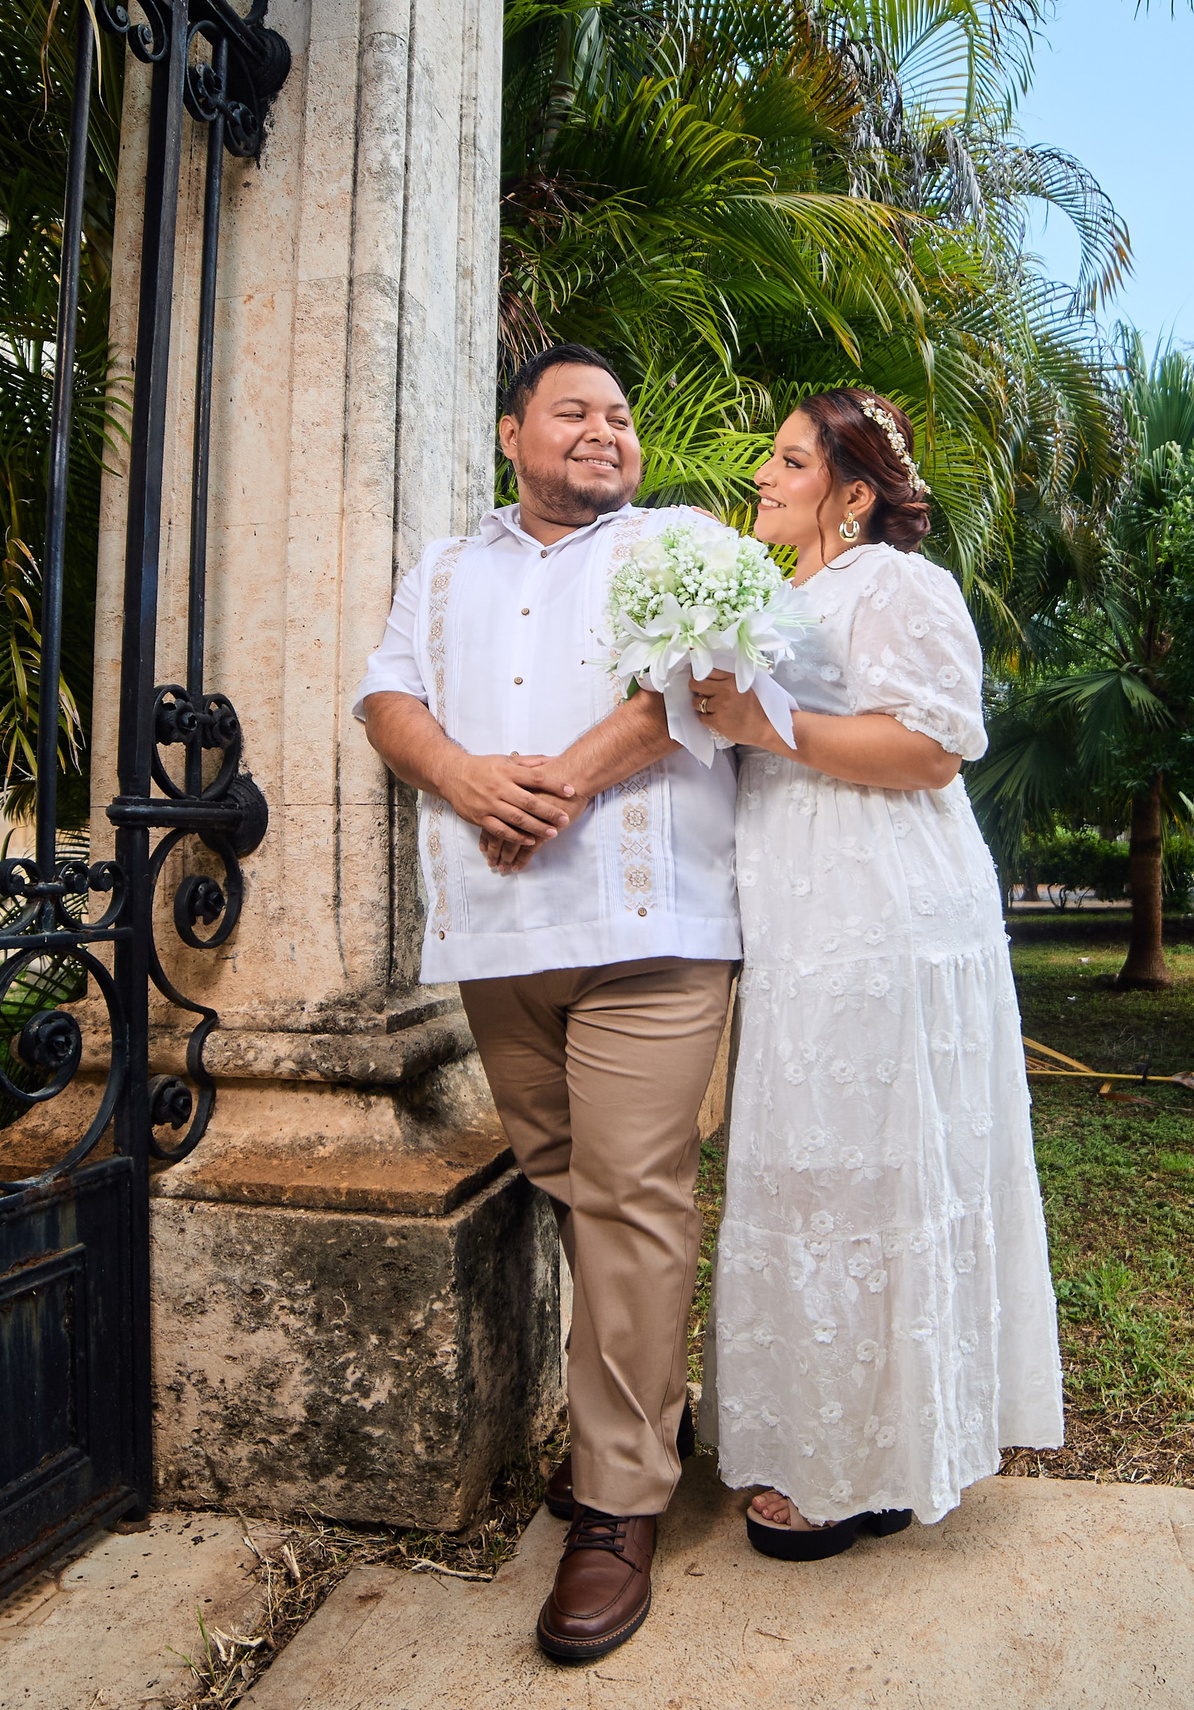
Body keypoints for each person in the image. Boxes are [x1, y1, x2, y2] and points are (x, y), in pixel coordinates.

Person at [352, 343, 742, 1664]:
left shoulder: (678, 538)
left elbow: (698, 683)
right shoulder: (447, 566)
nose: (604, 431)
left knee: (633, 1187)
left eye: (621, 415)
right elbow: (386, 697)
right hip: (501, 930)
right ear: (513, 429)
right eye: (574, 409)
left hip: (653, 925)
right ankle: (640, 1418)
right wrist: (465, 779)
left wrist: (562, 782)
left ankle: (618, 1501)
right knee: (570, 1179)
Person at [691, 388, 1064, 1560]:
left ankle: (860, 1466)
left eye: (791, 461)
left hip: (885, 912)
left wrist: (764, 726)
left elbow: (936, 743)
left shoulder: (899, 585)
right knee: (816, 1169)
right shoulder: (773, 591)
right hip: (801, 911)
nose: (763, 474)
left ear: (852, 496)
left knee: (866, 1172)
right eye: (770, 456)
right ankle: (850, 1441)